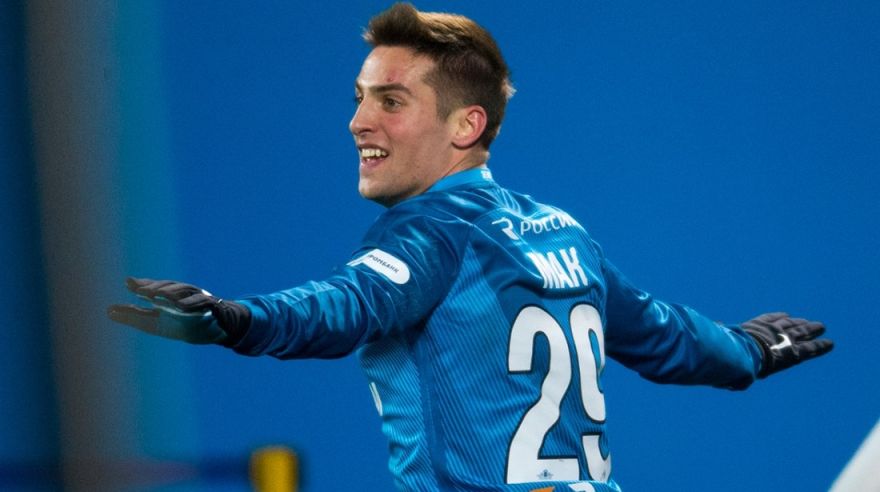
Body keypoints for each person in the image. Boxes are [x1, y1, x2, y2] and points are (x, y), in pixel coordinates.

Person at [108, 3, 833, 491]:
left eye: (391, 100)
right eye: (360, 96)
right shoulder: (563, 233)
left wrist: (237, 319)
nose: (358, 121)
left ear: (466, 125)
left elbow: (345, 304)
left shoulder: (434, 234)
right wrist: (749, 350)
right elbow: (667, 336)